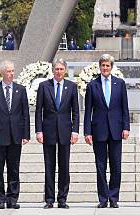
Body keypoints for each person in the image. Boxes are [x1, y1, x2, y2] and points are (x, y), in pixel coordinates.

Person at [84, 54, 130, 208]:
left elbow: (125, 107)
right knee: (100, 166)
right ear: (100, 67)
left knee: (116, 166)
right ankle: (103, 198)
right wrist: (87, 132)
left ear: (112, 67)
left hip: (116, 130)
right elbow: (88, 110)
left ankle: (114, 197)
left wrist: (126, 127)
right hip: (99, 131)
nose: (105, 68)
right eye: (103, 65)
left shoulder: (120, 84)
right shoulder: (92, 85)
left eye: (107, 65)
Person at [35, 58, 80, 209]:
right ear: (52, 70)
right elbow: (38, 111)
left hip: (65, 132)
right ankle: (49, 199)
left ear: (65, 70)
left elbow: (76, 111)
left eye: (61, 69)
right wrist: (39, 130)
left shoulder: (72, 86)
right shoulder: (44, 86)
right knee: (49, 166)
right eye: (57, 69)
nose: (59, 71)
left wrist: (75, 131)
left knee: (64, 167)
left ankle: (62, 199)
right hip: (48, 131)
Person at [0, 60, 30, 209]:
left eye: (12, 71)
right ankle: (0, 198)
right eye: (9, 71)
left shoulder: (21, 90)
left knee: (14, 169)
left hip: (15, 136)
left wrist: (26, 134)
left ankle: (12, 199)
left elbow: (25, 114)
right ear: (2, 72)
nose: (11, 74)